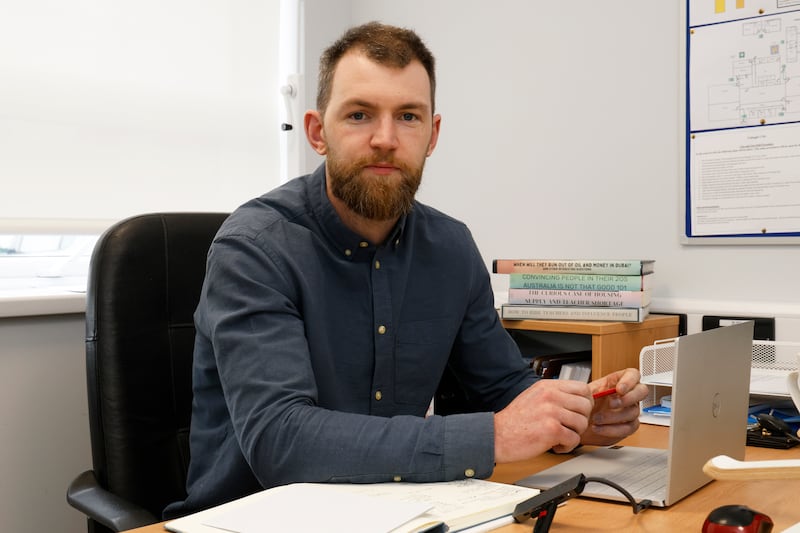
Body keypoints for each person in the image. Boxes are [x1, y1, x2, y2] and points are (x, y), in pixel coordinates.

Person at [165, 21, 648, 517]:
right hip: (251, 519)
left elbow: (502, 389)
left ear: (433, 134)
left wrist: (575, 417)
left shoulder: (451, 247)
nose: (386, 139)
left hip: (399, 514)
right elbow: (282, 442)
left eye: (409, 117)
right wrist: (497, 434)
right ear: (317, 132)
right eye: (359, 114)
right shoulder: (254, 249)